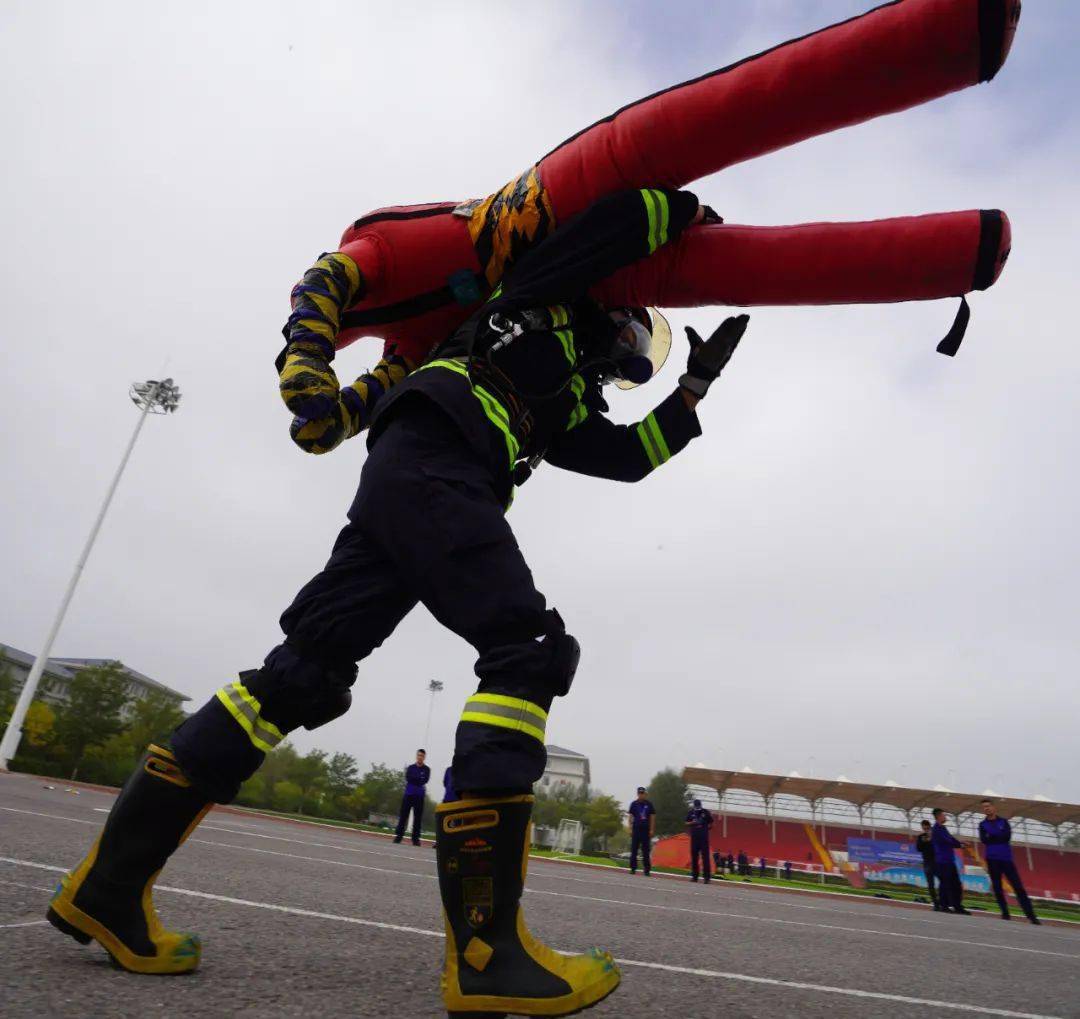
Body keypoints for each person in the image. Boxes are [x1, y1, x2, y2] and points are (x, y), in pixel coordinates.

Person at [49, 185, 744, 1016]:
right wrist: (683, 207)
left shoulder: (562, 405)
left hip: (413, 479)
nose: (635, 343)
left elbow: (631, 457)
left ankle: (108, 888)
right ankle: (489, 957)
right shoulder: (543, 295)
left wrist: (696, 385)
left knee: (300, 674)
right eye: (641, 328)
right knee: (527, 651)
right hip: (437, 463)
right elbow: (614, 221)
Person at [979, 799, 1040, 924]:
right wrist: (997, 835)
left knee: (1018, 887)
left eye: (988, 806)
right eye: (984, 807)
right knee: (997, 887)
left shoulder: (1003, 822)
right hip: (992, 859)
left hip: (1006, 859)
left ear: (994, 807)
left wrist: (992, 835)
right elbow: (984, 840)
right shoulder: (982, 825)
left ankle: (1031, 915)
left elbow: (1006, 837)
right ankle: (1005, 913)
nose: (987, 809)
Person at [931, 808, 970, 915]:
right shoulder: (936, 829)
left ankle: (957, 906)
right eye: (944, 815)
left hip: (949, 860)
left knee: (956, 884)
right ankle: (944, 906)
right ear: (939, 816)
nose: (945, 817)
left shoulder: (943, 828)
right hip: (942, 861)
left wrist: (960, 843)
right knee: (945, 884)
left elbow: (951, 839)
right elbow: (948, 841)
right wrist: (960, 845)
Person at [393, 749, 430, 845]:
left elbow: (424, 780)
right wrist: (417, 778)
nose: (420, 757)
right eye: (418, 755)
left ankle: (415, 839)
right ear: (416, 756)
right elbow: (408, 778)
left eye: (422, 756)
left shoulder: (427, 769)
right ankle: (399, 836)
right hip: (409, 794)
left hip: (419, 796)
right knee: (403, 816)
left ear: (424, 757)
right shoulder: (410, 768)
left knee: (417, 818)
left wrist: (416, 779)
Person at [627, 787, 656, 877]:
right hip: (636, 829)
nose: (641, 795)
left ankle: (647, 870)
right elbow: (630, 817)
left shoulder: (649, 804)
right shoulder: (634, 804)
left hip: (645, 830)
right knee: (634, 849)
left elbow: (652, 817)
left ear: (645, 794)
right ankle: (633, 868)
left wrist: (651, 829)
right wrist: (630, 828)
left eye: (643, 793)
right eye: (640, 793)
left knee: (645, 851)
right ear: (638, 794)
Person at [916, 819, 942, 911]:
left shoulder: (935, 836)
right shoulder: (921, 837)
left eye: (927, 828)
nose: (926, 830)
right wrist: (924, 840)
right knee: (930, 884)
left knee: (943, 881)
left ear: (930, 827)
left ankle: (941, 901)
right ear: (922, 828)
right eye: (924, 828)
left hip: (937, 862)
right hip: (927, 863)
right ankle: (935, 904)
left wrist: (931, 839)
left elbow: (940, 846)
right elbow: (918, 848)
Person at [686, 799, 714, 883]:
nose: (697, 807)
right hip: (694, 837)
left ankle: (707, 878)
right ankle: (695, 877)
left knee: (705, 857)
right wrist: (692, 823)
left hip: (703, 838)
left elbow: (711, 822)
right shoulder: (691, 812)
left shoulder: (705, 812)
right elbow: (686, 822)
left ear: (700, 805)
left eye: (698, 806)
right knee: (694, 857)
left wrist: (708, 828)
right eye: (696, 806)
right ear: (694, 806)